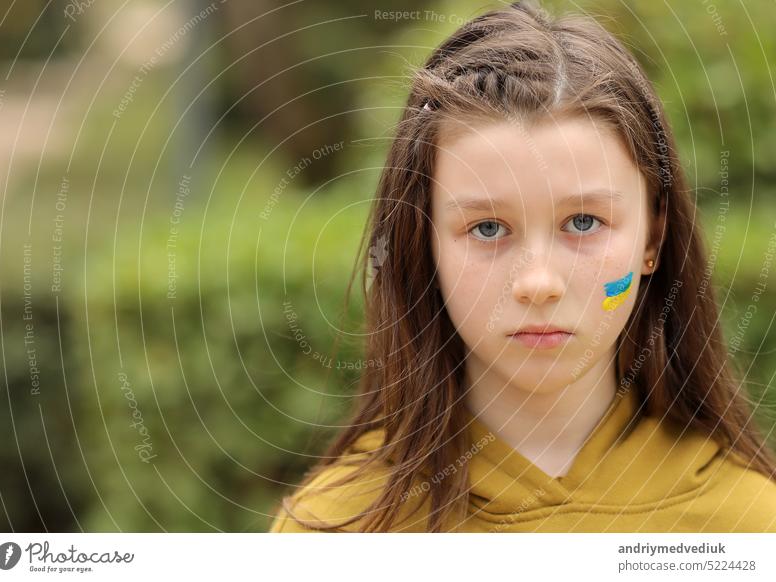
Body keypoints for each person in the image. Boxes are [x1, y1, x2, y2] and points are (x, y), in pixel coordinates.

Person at [269, 0, 776, 532]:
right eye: (487, 229)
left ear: (654, 235)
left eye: (583, 222)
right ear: (423, 244)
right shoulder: (335, 530)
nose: (538, 283)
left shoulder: (743, 524)